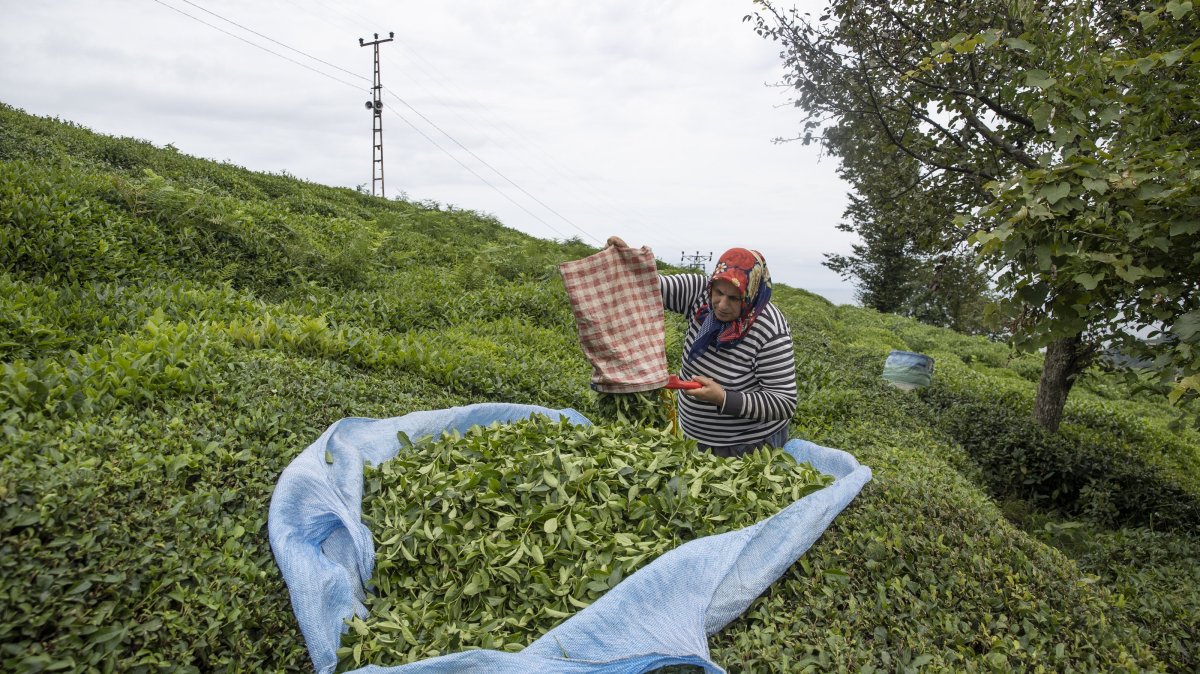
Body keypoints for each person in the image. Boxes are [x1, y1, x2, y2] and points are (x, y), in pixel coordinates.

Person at [607, 237, 798, 457]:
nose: (722, 305)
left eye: (735, 298)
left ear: (751, 295)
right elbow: (645, 286)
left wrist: (722, 397)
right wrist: (625, 260)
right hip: (694, 436)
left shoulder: (770, 330)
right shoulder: (699, 293)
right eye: (718, 293)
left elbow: (784, 402)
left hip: (748, 446)